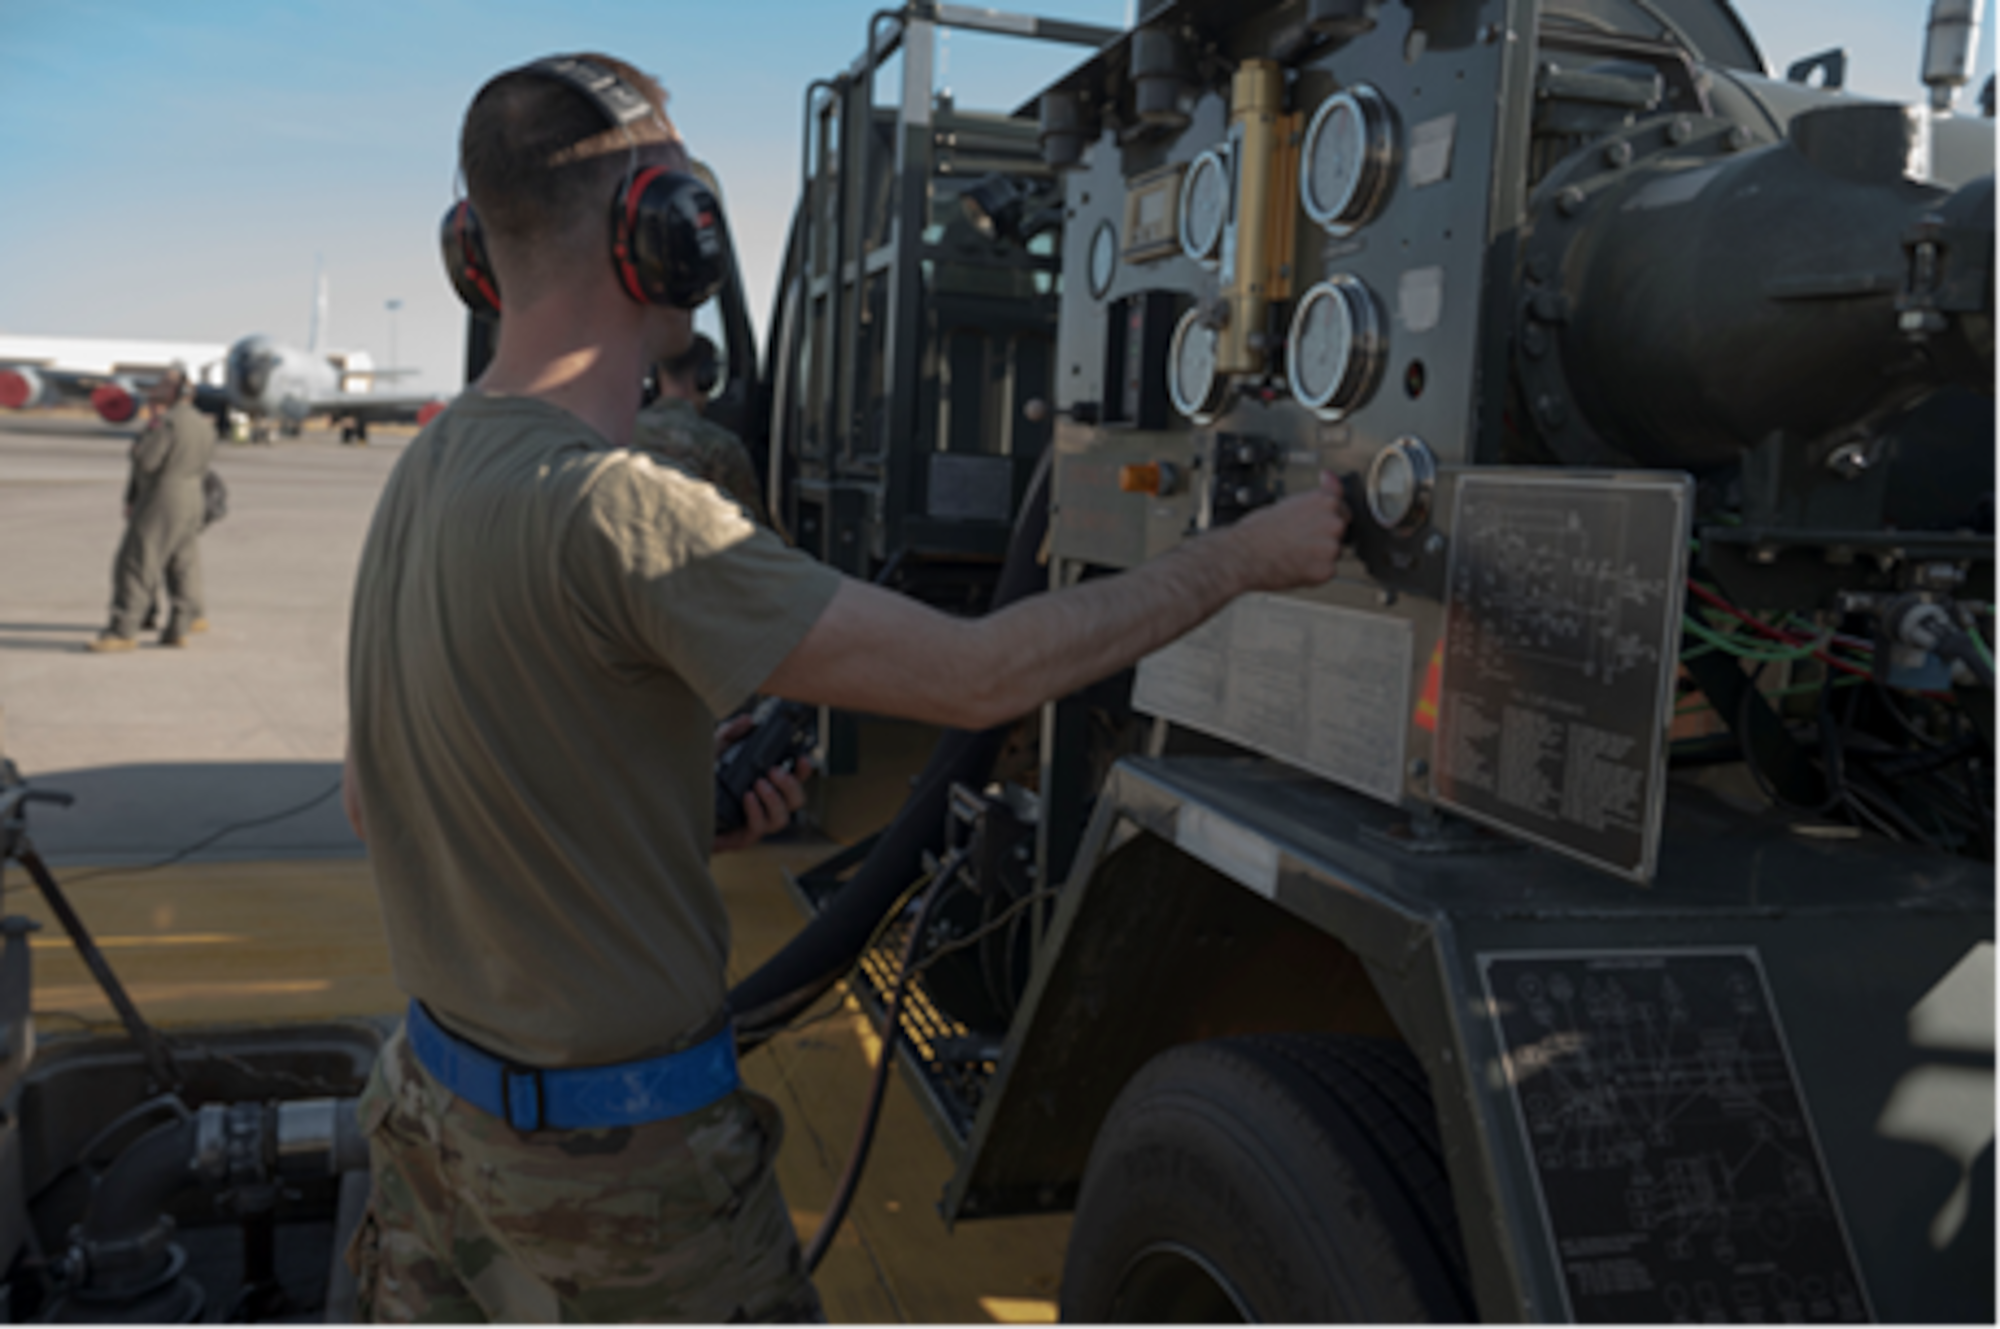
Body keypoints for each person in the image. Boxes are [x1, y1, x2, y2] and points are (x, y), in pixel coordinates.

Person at [342, 52, 1348, 1329]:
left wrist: (654, 829)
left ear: (473, 256)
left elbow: (380, 802)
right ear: (664, 231)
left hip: (429, 1120)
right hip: (615, 1185)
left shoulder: (422, 473)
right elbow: (984, 675)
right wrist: (1247, 557)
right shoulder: (619, 510)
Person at [87, 363, 214, 652]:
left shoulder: (166, 423)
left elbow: (148, 460)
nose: (155, 389)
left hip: (163, 496)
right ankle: (179, 627)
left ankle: (122, 631)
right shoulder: (202, 423)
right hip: (192, 497)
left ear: (175, 391)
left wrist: (141, 442)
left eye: (161, 385)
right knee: (182, 564)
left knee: (136, 562)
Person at [634, 332, 779, 532]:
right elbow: (751, 530)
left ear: (654, 375)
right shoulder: (720, 447)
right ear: (707, 377)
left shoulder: (618, 435)